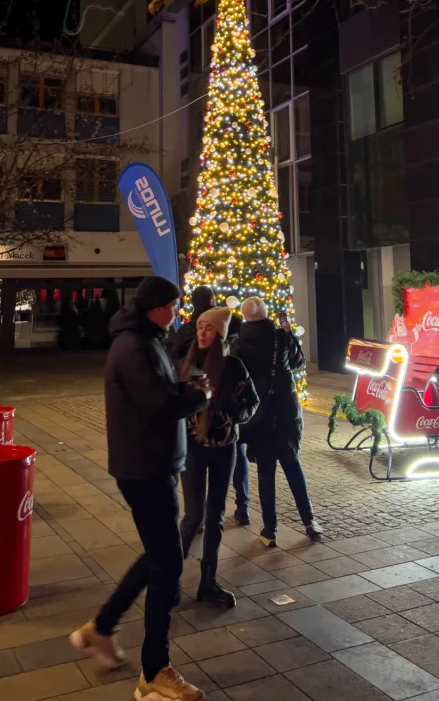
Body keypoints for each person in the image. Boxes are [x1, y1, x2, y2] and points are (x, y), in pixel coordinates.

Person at [70, 276, 210, 701]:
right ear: (156, 308)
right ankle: (154, 672)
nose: (177, 313)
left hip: (152, 464)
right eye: (173, 305)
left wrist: (187, 389)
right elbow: (159, 403)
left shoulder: (146, 340)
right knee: (168, 565)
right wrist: (199, 397)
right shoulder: (134, 346)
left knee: (158, 556)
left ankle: (101, 627)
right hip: (145, 468)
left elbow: (161, 391)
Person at [179, 306, 259, 608]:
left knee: (215, 516)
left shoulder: (233, 365)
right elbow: (176, 404)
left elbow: (252, 402)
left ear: (220, 333)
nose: (202, 332)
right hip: (193, 447)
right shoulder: (189, 364)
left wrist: (232, 412)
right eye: (200, 326)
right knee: (193, 517)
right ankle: (169, 580)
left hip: (225, 448)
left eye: (209, 328)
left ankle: (208, 582)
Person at [233, 296, 323, 547]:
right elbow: (298, 362)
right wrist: (288, 331)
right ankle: (309, 521)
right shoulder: (280, 337)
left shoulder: (238, 344)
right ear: (265, 313)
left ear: (245, 316)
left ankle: (270, 531)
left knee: (265, 471)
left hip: (258, 415)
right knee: (292, 464)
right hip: (284, 410)